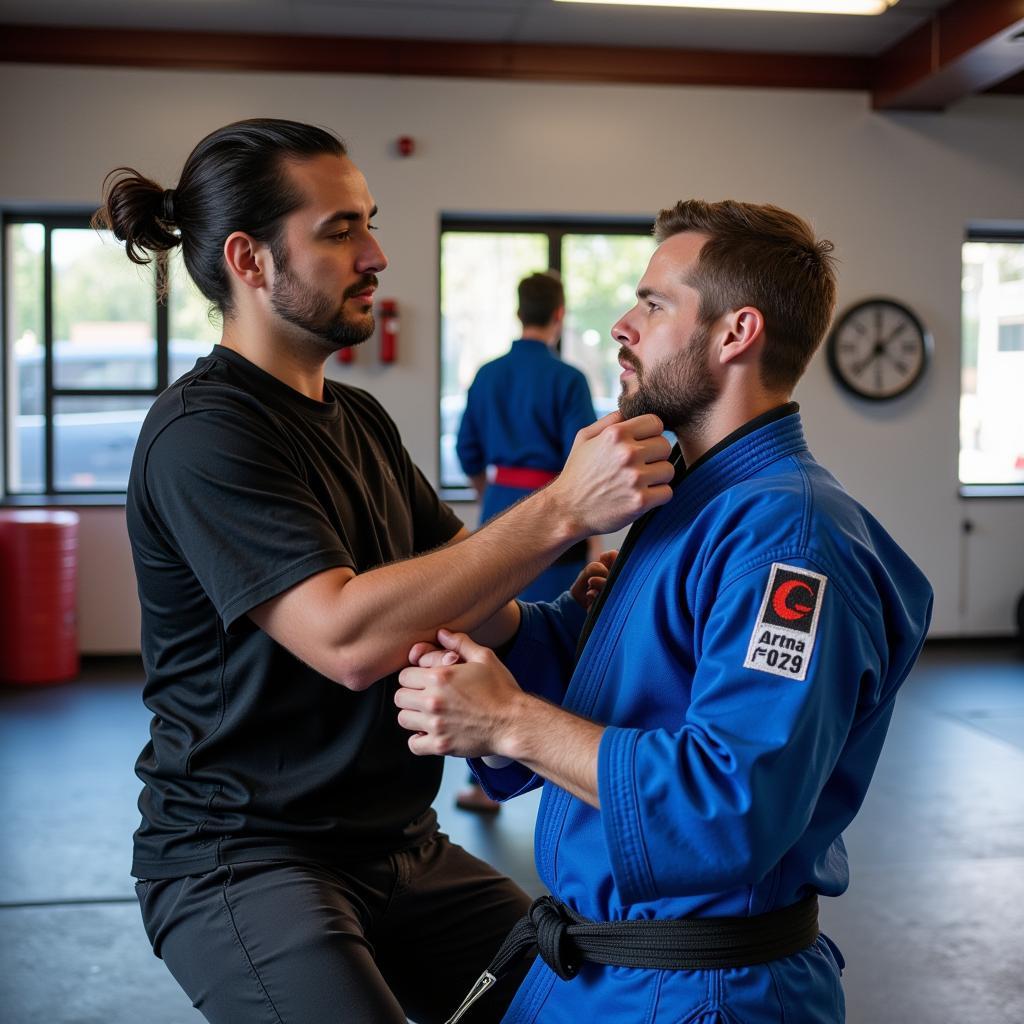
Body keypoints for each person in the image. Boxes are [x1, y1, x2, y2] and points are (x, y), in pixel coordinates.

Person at [96, 118, 675, 1024]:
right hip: (244, 859)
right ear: (249, 260)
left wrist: (574, 613)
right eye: (339, 231)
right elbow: (349, 639)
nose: (376, 254)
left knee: (584, 1007)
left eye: (369, 222)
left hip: (400, 845)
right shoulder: (202, 434)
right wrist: (562, 508)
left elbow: (467, 599)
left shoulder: (358, 418)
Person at [395, 199, 934, 1024]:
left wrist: (508, 722)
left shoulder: (789, 538)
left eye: (652, 303)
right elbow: (614, 679)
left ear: (734, 333)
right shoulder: (684, 502)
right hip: (604, 972)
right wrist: (495, 639)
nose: (622, 324)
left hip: (699, 992)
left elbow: (731, 802)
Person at [454, 270, 598, 813]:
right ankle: (568, 767)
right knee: (564, 640)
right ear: (558, 315)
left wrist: (494, 498)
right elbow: (581, 462)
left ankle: (482, 779)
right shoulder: (568, 380)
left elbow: (469, 450)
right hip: (555, 518)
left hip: (498, 513)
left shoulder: (488, 375)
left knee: (494, 636)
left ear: (519, 311)